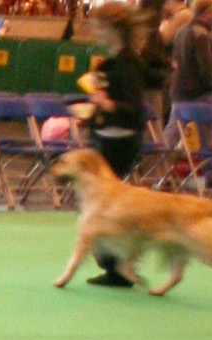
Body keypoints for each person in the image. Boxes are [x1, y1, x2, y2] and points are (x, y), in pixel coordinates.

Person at [82, 2, 147, 284]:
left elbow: (134, 111)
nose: (94, 32)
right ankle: (116, 264)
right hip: (107, 140)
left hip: (120, 143)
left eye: (98, 27)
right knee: (102, 207)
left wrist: (107, 105)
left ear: (111, 29)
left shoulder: (127, 65)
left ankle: (118, 264)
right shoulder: (111, 63)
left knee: (103, 208)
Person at [169, 0, 212, 183]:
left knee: (172, 133)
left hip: (179, 91)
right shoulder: (202, 35)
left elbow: (174, 61)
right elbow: (205, 67)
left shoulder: (181, 31)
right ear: (206, 13)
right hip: (200, 93)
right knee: (207, 137)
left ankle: (159, 168)